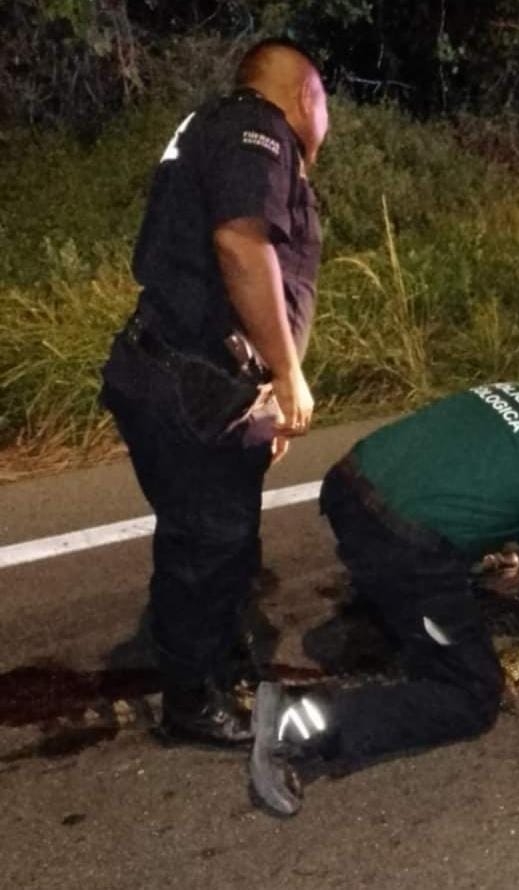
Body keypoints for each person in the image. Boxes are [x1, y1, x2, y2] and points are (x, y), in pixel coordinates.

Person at [248, 357, 519, 816]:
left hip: (347, 490)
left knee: (473, 549)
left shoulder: (516, 392)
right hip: (400, 543)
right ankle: (297, 721)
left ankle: (392, 599)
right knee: (471, 695)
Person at [99, 38, 329, 746]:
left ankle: (210, 658)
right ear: (304, 97)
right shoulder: (252, 127)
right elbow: (240, 244)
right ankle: (192, 701)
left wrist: (268, 392)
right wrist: (288, 375)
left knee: (213, 538)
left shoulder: (217, 129)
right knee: (209, 541)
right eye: (324, 104)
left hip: (191, 376)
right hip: (190, 380)